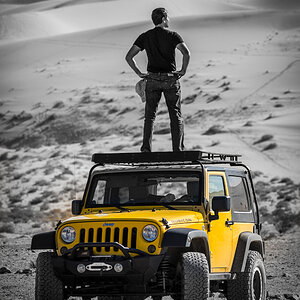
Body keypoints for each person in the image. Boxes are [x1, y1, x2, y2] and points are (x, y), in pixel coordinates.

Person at [125, 7, 190, 152]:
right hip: (170, 79)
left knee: (150, 116)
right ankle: (177, 150)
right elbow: (186, 53)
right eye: (168, 18)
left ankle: (146, 149)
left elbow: (129, 57)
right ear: (163, 19)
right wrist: (183, 70)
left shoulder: (145, 36)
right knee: (175, 115)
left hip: (152, 79)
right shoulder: (173, 35)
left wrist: (139, 73)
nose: (169, 20)